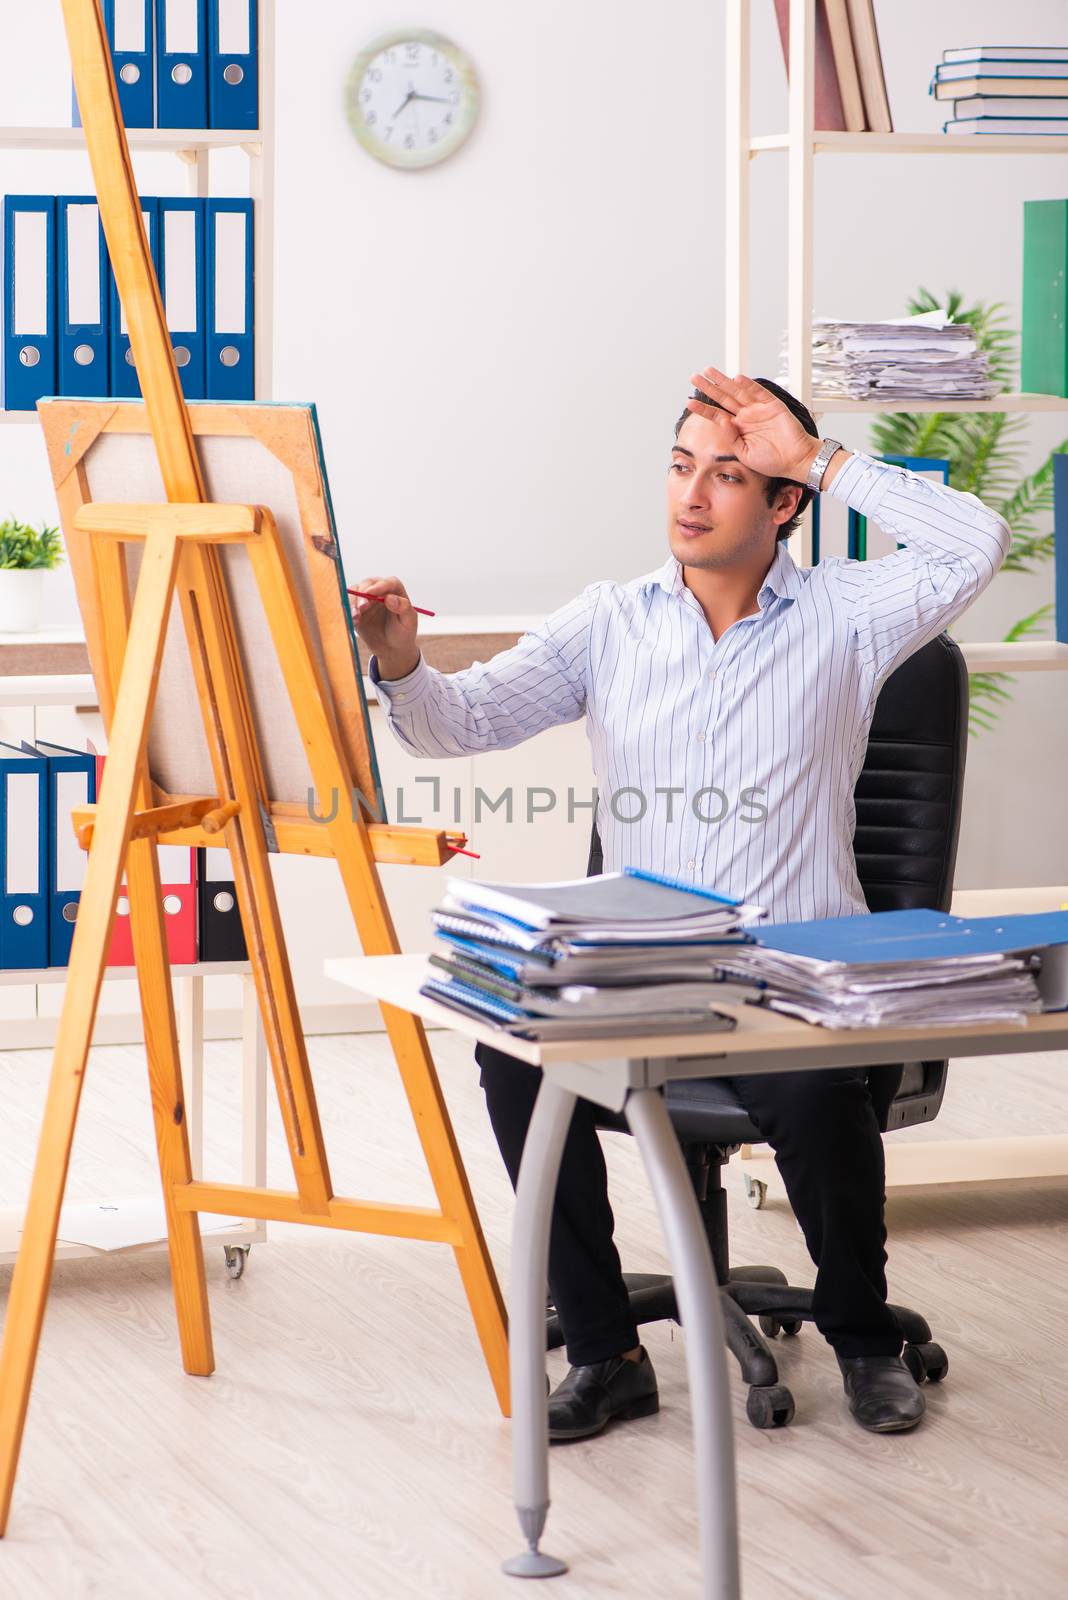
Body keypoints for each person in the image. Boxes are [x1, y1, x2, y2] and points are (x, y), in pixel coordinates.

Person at [352, 367, 1011, 1440]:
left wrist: (819, 455)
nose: (691, 496)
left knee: (813, 1093)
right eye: (679, 467)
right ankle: (607, 1350)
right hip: (648, 976)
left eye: (731, 475)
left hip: (792, 978)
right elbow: (457, 724)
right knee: (514, 1051)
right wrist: (400, 661)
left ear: (786, 502)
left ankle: (861, 1333)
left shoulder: (849, 617)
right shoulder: (609, 623)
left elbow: (972, 540)